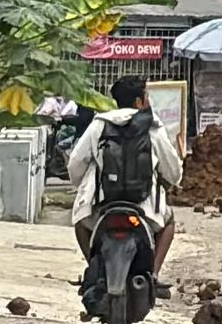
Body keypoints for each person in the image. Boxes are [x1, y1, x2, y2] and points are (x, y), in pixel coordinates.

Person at [67, 76, 183, 280]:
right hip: (145, 210)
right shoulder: (152, 126)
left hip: (102, 207)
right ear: (139, 101)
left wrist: (81, 186)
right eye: (146, 96)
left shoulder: (99, 125)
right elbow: (173, 172)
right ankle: (153, 274)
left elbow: (75, 164)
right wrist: (170, 180)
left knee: (80, 222)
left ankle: (94, 272)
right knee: (169, 223)